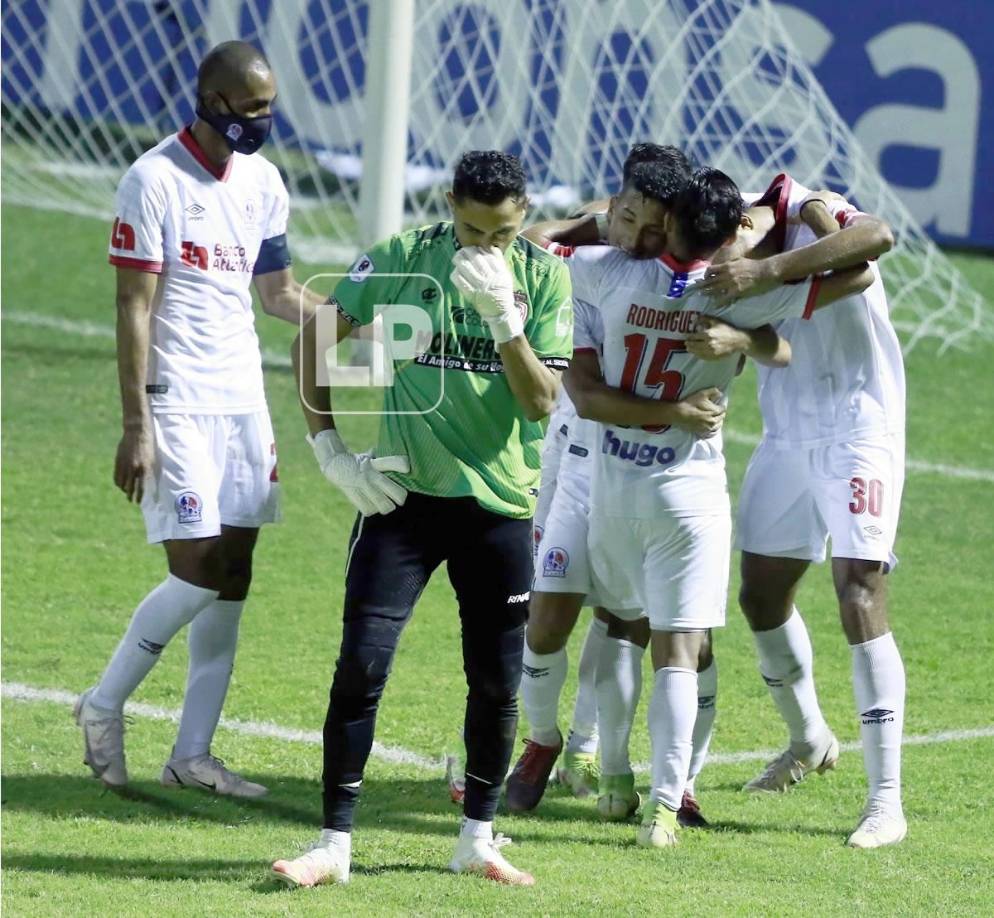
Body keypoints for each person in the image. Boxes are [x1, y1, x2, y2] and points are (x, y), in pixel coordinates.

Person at [271, 151, 573, 889]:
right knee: (361, 664)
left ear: (524, 218)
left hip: (500, 508)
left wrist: (504, 320)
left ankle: (477, 840)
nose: (485, 246)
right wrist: (328, 447)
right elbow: (312, 341)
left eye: (501, 234)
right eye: (472, 230)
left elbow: (541, 402)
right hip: (401, 501)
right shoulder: (403, 259)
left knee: (496, 683)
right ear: (449, 207)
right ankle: (333, 846)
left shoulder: (543, 278)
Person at [566, 166, 874, 848]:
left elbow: (536, 250)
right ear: (732, 231)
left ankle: (612, 778)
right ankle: (663, 811)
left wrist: (603, 219)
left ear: (668, 222)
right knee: (680, 650)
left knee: (618, 627)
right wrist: (754, 319)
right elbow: (851, 283)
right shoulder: (737, 294)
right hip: (687, 492)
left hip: (612, 484)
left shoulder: (606, 271)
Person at [75, 41, 324, 796]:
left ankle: (192, 756)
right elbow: (133, 305)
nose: (263, 120)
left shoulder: (263, 182)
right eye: (251, 108)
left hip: (242, 400)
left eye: (269, 106)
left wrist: (364, 326)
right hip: (177, 399)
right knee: (197, 571)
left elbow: (278, 294)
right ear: (212, 102)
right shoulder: (152, 180)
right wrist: (136, 425)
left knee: (234, 575)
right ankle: (102, 703)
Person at [505, 148, 779, 825]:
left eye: (653, 228)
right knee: (547, 618)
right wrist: (600, 223)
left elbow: (774, 330)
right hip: (576, 461)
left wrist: (738, 329)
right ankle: (545, 741)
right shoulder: (600, 259)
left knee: (635, 624)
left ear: (674, 224)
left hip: (643, 474)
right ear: (615, 206)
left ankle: (632, 770)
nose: (639, 237)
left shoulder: (679, 277)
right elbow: (535, 246)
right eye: (628, 219)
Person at [698, 174, 906, 848]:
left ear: (744, 222)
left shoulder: (805, 207)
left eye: (721, 252)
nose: (714, 267)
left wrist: (765, 270)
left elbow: (874, 242)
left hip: (860, 431)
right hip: (786, 435)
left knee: (859, 592)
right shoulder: (713, 265)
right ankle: (809, 738)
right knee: (760, 597)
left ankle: (886, 803)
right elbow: (766, 345)